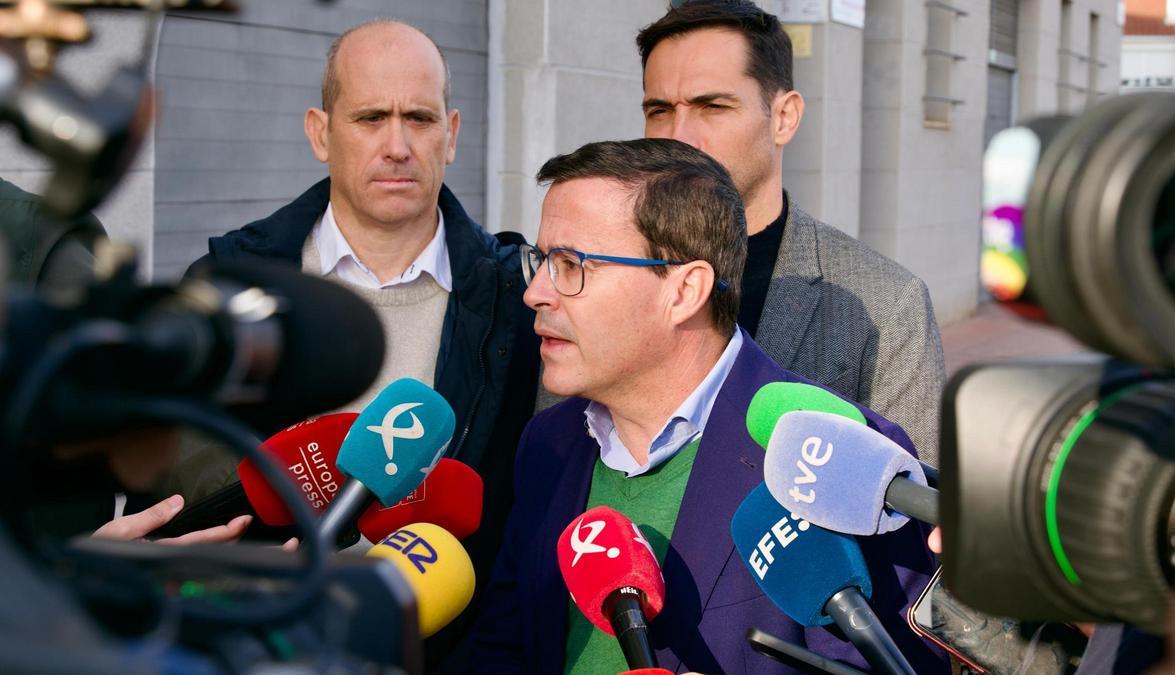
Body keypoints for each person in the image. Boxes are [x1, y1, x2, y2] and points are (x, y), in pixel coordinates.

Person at [469, 138, 944, 674]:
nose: (535, 291)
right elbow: (503, 647)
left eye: (570, 264)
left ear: (684, 290)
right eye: (540, 260)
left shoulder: (843, 463)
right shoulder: (546, 445)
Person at [187, 19, 539, 665]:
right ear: (321, 132)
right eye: (371, 117)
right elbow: (179, 485)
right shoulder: (228, 283)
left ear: (453, 134)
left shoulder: (518, 300)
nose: (398, 145)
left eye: (420, 119)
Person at [635, 0, 945, 464]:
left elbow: (916, 511)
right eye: (659, 110)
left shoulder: (888, 304)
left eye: (712, 106)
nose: (678, 136)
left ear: (784, 118)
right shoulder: (595, 271)